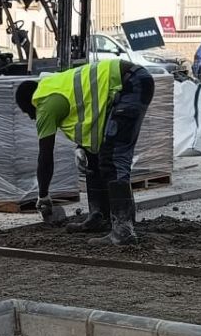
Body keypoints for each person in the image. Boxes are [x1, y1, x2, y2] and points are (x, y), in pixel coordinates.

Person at [16, 57, 156, 244]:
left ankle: (123, 231)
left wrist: (43, 195)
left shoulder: (44, 103)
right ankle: (100, 217)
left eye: (28, 114)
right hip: (130, 82)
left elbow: (45, 155)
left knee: (113, 157)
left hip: (131, 84)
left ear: (30, 104)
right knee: (94, 157)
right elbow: (90, 112)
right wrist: (82, 147)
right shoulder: (56, 87)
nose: (32, 118)